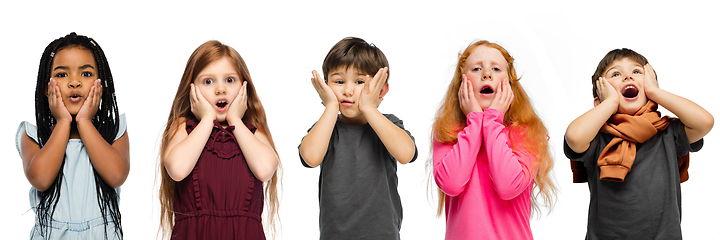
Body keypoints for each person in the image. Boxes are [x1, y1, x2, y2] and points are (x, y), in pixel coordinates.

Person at [564, 48, 714, 239]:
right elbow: (574, 137)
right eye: (616, 74)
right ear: (599, 100)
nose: (628, 77)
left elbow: (705, 122)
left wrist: (655, 92)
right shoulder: (595, 138)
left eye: (636, 72)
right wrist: (609, 103)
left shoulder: (668, 133)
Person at [431, 40, 556, 240]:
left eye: (496, 69)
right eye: (477, 68)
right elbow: (451, 183)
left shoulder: (527, 132)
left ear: (509, 83)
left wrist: (492, 120)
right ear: (462, 81)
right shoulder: (448, 131)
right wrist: (474, 121)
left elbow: (508, 186)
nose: (486, 74)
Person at [158, 40, 280, 239]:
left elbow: (265, 169)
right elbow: (177, 169)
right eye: (208, 81)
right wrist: (207, 119)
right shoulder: (184, 128)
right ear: (191, 89)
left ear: (244, 87)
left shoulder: (252, 131)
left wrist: (235, 120)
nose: (220, 89)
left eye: (230, 80)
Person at [298, 37, 417, 240]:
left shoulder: (388, 124)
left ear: (382, 90)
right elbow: (310, 157)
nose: (347, 90)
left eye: (360, 82)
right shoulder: (327, 128)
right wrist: (331, 107)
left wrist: (369, 107)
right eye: (338, 81)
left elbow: (406, 154)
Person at [16, 32, 129, 240]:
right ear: (45, 87)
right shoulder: (32, 135)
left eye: (86, 74)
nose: (74, 82)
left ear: (101, 85)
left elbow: (116, 176)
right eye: (62, 74)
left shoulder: (114, 131)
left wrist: (84, 122)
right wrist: (62, 122)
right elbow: (40, 179)